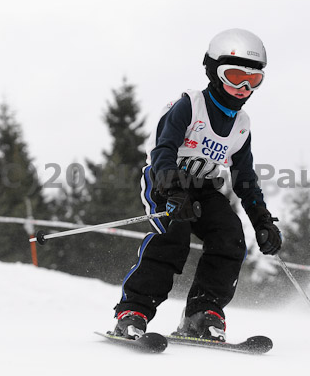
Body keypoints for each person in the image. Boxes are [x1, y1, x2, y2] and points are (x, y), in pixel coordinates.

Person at [112, 28, 282, 342]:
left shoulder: (241, 126)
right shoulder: (190, 105)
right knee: (173, 236)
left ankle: (202, 313)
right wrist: (172, 189)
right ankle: (132, 311)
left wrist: (262, 220)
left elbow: (244, 179)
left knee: (230, 235)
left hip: (203, 186)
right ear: (212, 71)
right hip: (164, 180)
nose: (243, 87)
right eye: (234, 76)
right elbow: (163, 149)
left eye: (253, 80)